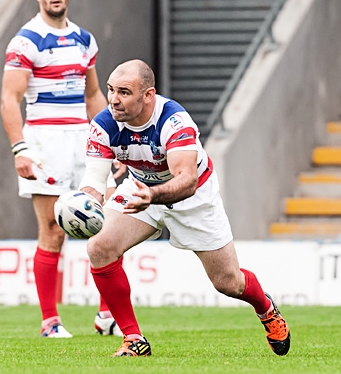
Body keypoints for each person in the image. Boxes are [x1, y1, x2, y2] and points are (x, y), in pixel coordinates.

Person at [79, 59, 291, 356]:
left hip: (193, 198)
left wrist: (152, 196)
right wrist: (83, 204)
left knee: (228, 282)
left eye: (124, 92)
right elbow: (93, 179)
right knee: (99, 247)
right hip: (140, 188)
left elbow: (187, 181)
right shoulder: (103, 123)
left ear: (148, 95)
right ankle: (133, 339)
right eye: (111, 90)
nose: (114, 99)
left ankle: (265, 308)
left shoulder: (174, 121)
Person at [0, 0, 124, 338]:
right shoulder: (25, 41)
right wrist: (20, 149)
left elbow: (93, 96)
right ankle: (50, 322)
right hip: (44, 142)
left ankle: (107, 314)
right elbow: (9, 98)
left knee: (110, 225)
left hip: (84, 142)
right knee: (53, 231)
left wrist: (113, 142)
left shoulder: (85, 40)